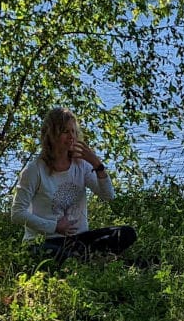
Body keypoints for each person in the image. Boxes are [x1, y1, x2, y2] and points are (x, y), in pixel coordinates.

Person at [9, 107, 137, 261]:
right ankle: (95, 260)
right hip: (46, 241)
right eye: (65, 131)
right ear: (51, 135)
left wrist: (97, 164)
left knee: (127, 233)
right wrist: (54, 226)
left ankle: (88, 258)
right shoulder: (34, 169)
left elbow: (108, 196)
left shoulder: (81, 165)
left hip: (79, 239)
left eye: (73, 131)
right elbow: (17, 214)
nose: (71, 137)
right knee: (57, 254)